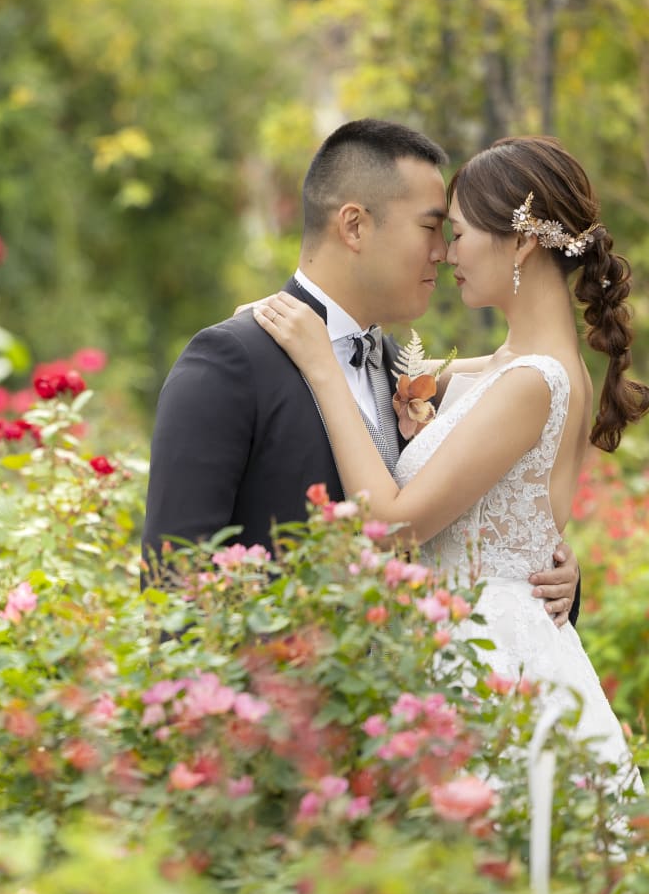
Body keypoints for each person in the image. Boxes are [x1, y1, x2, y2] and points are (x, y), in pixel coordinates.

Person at [254, 135, 649, 784]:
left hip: (490, 668)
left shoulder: (535, 382)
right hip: (474, 650)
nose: (444, 253)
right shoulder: (505, 371)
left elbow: (395, 526)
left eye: (460, 233)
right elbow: (394, 385)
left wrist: (322, 368)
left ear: (522, 240)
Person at [142, 119, 579, 623]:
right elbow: (173, 585)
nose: (443, 252)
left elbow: (475, 515)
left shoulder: (401, 371)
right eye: (429, 227)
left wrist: (553, 570)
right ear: (354, 226)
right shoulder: (231, 361)